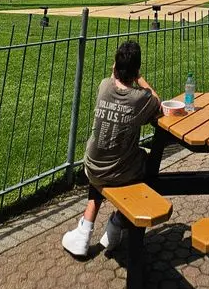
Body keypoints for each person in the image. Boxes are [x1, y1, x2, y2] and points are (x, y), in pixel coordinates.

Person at [62, 41, 162, 257]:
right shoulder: (140, 99)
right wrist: (140, 78)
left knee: (105, 160)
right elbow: (156, 101)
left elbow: (116, 80)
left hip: (92, 167)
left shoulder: (104, 86)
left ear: (115, 67)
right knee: (149, 164)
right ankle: (118, 221)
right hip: (122, 172)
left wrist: (120, 72)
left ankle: (84, 229)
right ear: (135, 71)